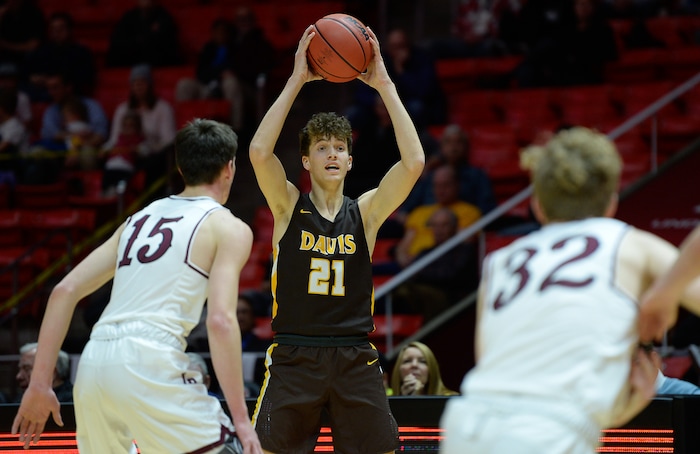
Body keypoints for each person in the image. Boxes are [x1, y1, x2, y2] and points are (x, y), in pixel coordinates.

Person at [439, 126, 700, 454]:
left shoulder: (500, 262)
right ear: (612, 203)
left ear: (537, 206)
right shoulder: (629, 244)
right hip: (547, 432)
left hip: (468, 423)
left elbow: (501, 372)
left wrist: (622, 408)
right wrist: (664, 295)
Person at [11, 118, 263, 453]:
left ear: (179, 166)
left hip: (93, 362)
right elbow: (219, 321)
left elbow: (63, 292)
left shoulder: (138, 219)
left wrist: (40, 384)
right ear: (230, 167)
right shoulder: (228, 226)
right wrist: (243, 421)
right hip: (150, 359)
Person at [248, 25, 425, 453]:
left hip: (354, 355)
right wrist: (296, 80)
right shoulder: (288, 206)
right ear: (306, 160)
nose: (331, 154)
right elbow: (258, 152)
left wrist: (384, 83)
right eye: (322, 148)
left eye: (339, 148)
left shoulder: (364, 213)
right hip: (294, 354)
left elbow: (414, 161)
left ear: (350, 159)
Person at [175, 7, 276, 134]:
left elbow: (243, 69)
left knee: (230, 82)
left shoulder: (245, 45)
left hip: (239, 88)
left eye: (246, 19)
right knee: (184, 84)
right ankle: (185, 132)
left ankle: (235, 132)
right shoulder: (209, 48)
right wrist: (217, 75)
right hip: (209, 84)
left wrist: (225, 75)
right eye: (240, 19)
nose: (243, 22)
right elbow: (200, 72)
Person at [391, 207, 479, 321]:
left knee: (406, 291)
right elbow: (412, 273)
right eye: (435, 225)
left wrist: (422, 274)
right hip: (424, 296)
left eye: (444, 225)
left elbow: (450, 276)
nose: (439, 230)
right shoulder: (426, 251)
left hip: (452, 302)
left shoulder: (465, 250)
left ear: (454, 227)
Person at [400, 124, 497, 221]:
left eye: (458, 142)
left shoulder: (478, 176)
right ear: (441, 147)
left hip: (465, 228)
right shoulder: (430, 176)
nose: (453, 147)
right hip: (429, 230)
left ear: (466, 147)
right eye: (448, 142)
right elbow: (406, 210)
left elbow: (487, 211)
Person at [103, 64, 176, 190]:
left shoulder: (163, 108)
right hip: (126, 154)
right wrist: (103, 150)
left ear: (150, 85)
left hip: (151, 155)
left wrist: (147, 148)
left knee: (156, 162)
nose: (138, 86)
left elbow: (168, 140)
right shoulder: (122, 109)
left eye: (142, 82)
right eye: (135, 83)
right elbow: (114, 139)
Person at [395, 164, 481, 268]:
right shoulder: (419, 212)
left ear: (457, 185)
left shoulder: (470, 212)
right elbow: (404, 245)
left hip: (443, 266)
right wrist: (404, 259)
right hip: (412, 267)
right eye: (437, 185)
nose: (441, 190)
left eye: (446, 185)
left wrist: (421, 260)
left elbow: (465, 241)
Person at [23, 11, 97, 102]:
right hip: (41, 91)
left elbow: (85, 79)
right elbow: (28, 73)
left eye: (61, 29)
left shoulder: (81, 52)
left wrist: (56, 82)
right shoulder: (42, 51)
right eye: (53, 29)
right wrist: (34, 78)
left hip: (69, 93)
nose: (57, 33)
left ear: (70, 30)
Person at [105, 0, 182, 68]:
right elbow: (118, 42)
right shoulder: (129, 17)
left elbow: (166, 44)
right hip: (131, 60)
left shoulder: (164, 17)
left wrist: (141, 40)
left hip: (157, 62)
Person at [100, 109, 147, 196]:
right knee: (105, 183)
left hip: (125, 169)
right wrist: (103, 151)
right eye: (125, 125)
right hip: (110, 167)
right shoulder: (117, 138)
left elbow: (145, 151)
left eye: (131, 126)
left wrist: (136, 149)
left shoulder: (138, 140)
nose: (127, 128)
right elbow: (108, 145)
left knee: (120, 186)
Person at [390, 341, 458, 396]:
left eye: (422, 361)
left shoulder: (451, 399)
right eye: (407, 361)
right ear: (398, 370)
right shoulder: (386, 404)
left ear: (431, 369)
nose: (414, 365)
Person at [0, 0, 45, 66]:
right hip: (5, 57)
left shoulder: (33, 14)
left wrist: (6, 46)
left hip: (26, 58)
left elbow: (33, 45)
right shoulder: (4, 13)